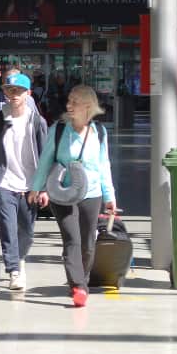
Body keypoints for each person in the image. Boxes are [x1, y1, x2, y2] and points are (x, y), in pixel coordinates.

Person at [29, 85, 117, 307]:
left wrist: (109, 196)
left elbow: (103, 165)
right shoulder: (59, 130)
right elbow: (45, 161)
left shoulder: (100, 132)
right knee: (72, 240)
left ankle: (82, 279)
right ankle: (78, 286)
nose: (69, 105)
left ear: (88, 106)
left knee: (88, 243)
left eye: (74, 102)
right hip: (62, 193)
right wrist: (37, 188)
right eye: (69, 101)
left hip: (92, 193)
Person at [0, 73, 48, 291]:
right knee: (7, 225)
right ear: (4, 93)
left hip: (30, 185)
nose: (13, 94)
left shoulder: (37, 122)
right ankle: (14, 270)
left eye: (18, 90)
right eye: (9, 90)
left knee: (26, 230)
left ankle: (19, 259)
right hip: (3, 181)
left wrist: (42, 187)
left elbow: (45, 155)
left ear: (28, 94)